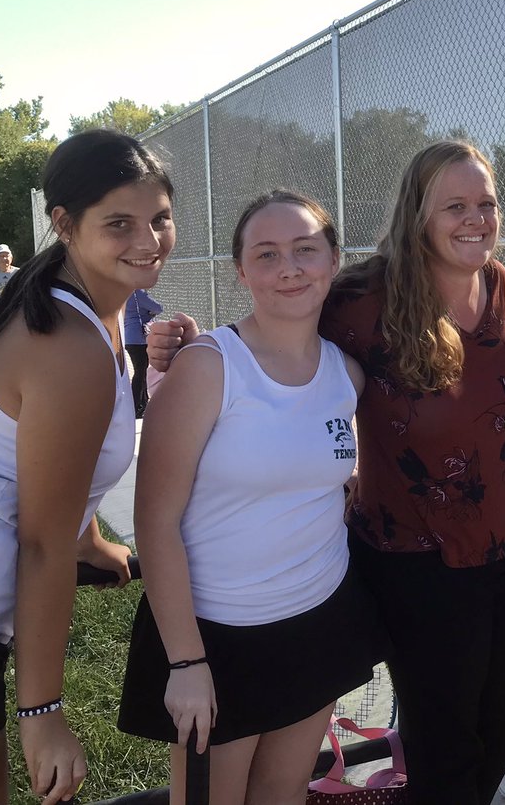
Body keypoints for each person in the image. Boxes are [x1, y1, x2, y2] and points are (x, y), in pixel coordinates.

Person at [149, 141, 505, 805]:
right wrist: (185, 351)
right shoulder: (362, 302)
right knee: (444, 746)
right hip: (416, 559)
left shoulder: (501, 288)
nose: (474, 219)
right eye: (454, 206)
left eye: (486, 204)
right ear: (417, 214)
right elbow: (276, 330)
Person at [0, 128, 170, 804]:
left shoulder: (91, 317)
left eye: (159, 218)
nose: (149, 240)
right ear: (65, 225)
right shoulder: (70, 345)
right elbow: (42, 543)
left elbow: (58, 493)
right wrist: (43, 715)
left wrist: (95, 545)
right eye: (120, 224)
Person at [118, 190, 381, 805]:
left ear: (334, 260)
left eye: (305, 250)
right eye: (267, 254)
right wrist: (185, 662)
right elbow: (155, 522)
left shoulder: (349, 372)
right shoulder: (209, 367)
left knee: (284, 792)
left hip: (318, 621)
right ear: (242, 271)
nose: (289, 267)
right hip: (218, 638)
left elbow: (337, 472)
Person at [124, 288, 163, 417]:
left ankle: (143, 403)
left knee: (140, 371)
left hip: (128, 337)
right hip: (139, 338)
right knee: (140, 373)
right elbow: (158, 308)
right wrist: (149, 314)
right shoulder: (137, 293)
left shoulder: (122, 293)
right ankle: (135, 406)